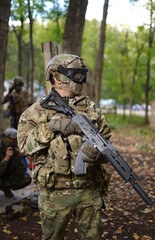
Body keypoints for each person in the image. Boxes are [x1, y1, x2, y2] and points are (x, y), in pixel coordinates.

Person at [17, 54, 112, 240]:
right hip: (54, 193)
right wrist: (50, 127)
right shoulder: (35, 112)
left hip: (89, 189)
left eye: (82, 74)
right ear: (55, 77)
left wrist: (99, 155)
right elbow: (23, 147)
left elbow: (107, 143)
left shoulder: (92, 109)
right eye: (75, 74)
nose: (80, 80)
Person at [0, 128, 32, 198]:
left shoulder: (15, 152)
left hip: (7, 178)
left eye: (14, 140)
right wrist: (6, 159)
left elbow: (21, 171)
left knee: (27, 179)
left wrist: (20, 157)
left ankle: (7, 188)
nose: (12, 142)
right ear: (4, 138)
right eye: (10, 139)